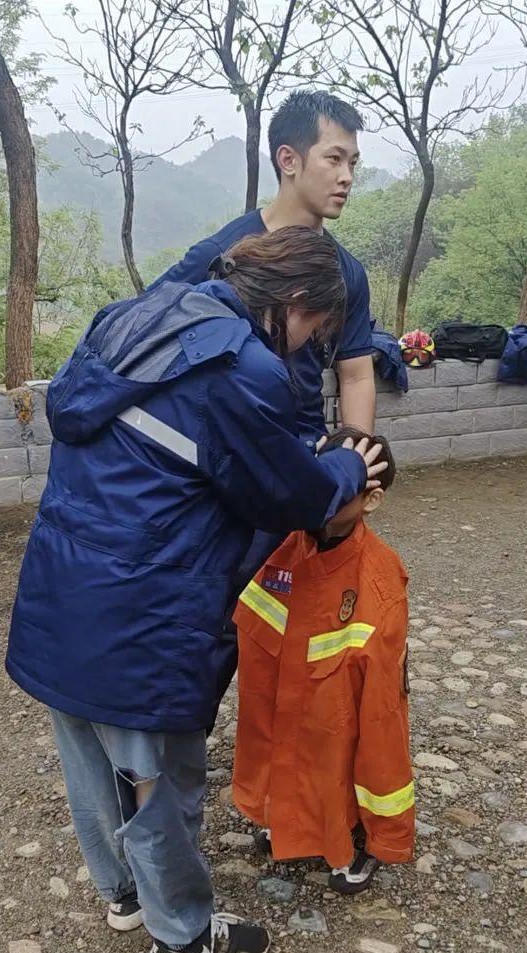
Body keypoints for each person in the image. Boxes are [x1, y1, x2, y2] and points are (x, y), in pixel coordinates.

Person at [6, 228, 388, 953]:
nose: (310, 347)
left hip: (62, 584)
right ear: (296, 303)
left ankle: (122, 894)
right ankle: (180, 934)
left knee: (86, 747)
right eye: (317, 330)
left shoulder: (135, 316)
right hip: (144, 608)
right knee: (160, 776)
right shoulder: (241, 366)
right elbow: (285, 493)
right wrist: (347, 465)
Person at [151, 89, 376, 725]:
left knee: (311, 624)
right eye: (335, 158)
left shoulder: (345, 272)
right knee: (218, 619)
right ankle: (177, 748)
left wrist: (355, 466)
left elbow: (355, 371)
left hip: (305, 462)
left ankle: (295, 779)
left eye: (354, 162)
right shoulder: (228, 252)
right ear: (288, 159)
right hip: (227, 462)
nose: (347, 177)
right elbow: (159, 326)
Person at [232, 426, 415, 895]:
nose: (322, 500)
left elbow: (382, 719)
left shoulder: (377, 580)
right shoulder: (284, 545)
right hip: (287, 696)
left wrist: (389, 833)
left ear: (370, 500)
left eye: (340, 490)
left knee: (345, 752)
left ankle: (357, 840)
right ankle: (286, 817)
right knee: (283, 742)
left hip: (337, 710)